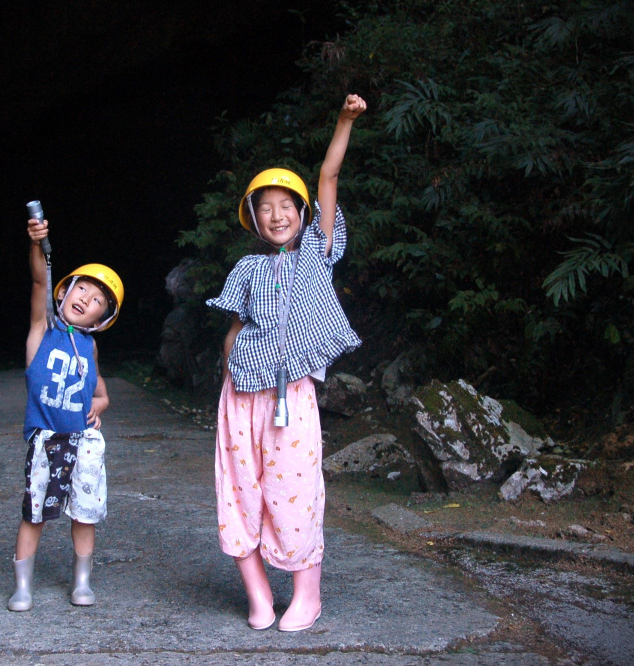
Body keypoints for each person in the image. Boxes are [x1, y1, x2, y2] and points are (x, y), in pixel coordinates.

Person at [206, 94, 367, 632]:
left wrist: (344, 121)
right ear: (253, 218)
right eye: (265, 207)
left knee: (293, 494)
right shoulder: (247, 266)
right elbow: (233, 328)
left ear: (301, 215)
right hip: (239, 399)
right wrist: (230, 368)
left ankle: (307, 596)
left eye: (286, 206)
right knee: (239, 495)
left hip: (289, 396)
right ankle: (257, 596)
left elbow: (328, 175)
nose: (277, 215)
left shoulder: (316, 254)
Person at [7, 214, 124, 612]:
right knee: (34, 512)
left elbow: (102, 392)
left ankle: (82, 582)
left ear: (102, 319)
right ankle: (23, 586)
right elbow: (40, 280)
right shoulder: (43, 329)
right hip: (46, 439)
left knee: (85, 514)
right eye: (82, 289)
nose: (86, 299)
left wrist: (99, 404)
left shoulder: (89, 348)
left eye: (97, 301)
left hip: (84, 442)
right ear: (65, 292)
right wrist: (38, 243)